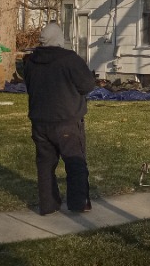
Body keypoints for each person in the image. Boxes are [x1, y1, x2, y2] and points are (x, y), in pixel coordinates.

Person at [23, 21, 96, 215]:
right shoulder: (70, 59)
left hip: (39, 122)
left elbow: (29, 85)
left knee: (45, 165)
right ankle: (79, 203)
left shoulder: (30, 61)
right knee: (75, 162)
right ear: (59, 39)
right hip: (66, 121)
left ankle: (48, 205)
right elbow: (87, 85)